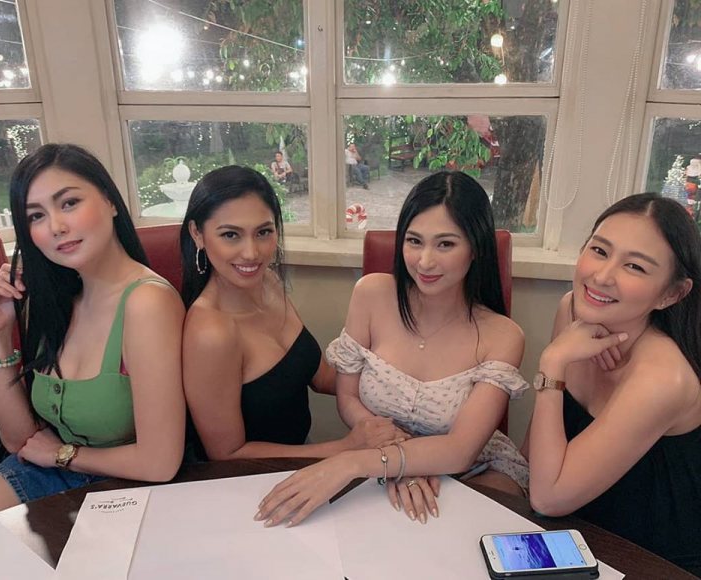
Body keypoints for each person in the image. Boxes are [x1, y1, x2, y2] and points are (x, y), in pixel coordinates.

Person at [255, 170, 529, 528]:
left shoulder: (503, 335)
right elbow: (348, 398)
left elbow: (462, 450)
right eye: (414, 241)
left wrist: (359, 462)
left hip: (477, 470)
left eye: (445, 244)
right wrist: (398, 463)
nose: (425, 261)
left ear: (475, 247)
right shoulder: (371, 294)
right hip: (381, 465)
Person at [0, 143, 186, 517]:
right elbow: (18, 441)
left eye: (69, 203)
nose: (56, 226)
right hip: (46, 472)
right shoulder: (48, 297)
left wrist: (63, 454)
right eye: (36, 216)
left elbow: (161, 463)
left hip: (124, 485)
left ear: (109, 201)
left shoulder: (146, 303)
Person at [526, 193, 701, 576]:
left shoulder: (663, 377)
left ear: (672, 293)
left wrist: (552, 362)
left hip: (649, 560)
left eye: (635, 266)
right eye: (600, 251)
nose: (602, 276)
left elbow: (547, 496)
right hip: (574, 536)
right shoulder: (572, 311)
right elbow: (536, 457)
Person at [180, 165, 401, 460]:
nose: (251, 253)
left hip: (303, 458)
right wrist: (348, 447)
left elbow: (319, 376)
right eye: (231, 235)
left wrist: (401, 381)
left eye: (263, 232)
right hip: (245, 483)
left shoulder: (268, 282)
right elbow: (227, 454)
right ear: (197, 234)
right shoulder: (211, 333)